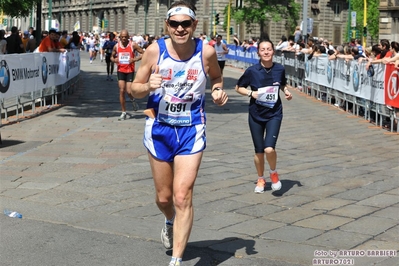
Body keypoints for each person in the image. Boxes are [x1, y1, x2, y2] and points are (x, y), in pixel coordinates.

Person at [130, 1, 228, 265]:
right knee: (164, 198)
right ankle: (169, 219)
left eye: (186, 23)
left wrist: (217, 90)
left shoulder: (205, 52)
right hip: (159, 128)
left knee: (182, 195)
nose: (180, 29)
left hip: (191, 129)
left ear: (194, 25)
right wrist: (147, 86)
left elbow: (217, 78)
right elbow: (133, 88)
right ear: (167, 25)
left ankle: (176, 260)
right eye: (175, 24)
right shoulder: (154, 51)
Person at [235, 39, 292, 194]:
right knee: (259, 151)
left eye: (269, 49)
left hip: (274, 113)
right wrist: (250, 93)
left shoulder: (279, 69)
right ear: (258, 52)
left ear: (273, 51)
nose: (266, 52)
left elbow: (281, 83)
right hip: (256, 114)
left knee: (269, 149)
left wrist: (285, 91)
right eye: (262, 50)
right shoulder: (252, 71)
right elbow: (238, 87)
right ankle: (261, 178)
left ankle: (273, 173)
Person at [111, 29, 144, 120]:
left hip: (130, 71)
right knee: (122, 90)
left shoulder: (133, 45)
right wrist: (114, 60)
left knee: (129, 91)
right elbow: (112, 57)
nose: (124, 38)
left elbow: (143, 53)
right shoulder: (116, 46)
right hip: (120, 70)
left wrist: (135, 59)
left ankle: (133, 101)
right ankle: (123, 112)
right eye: (122, 37)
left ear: (128, 37)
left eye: (126, 37)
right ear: (120, 37)